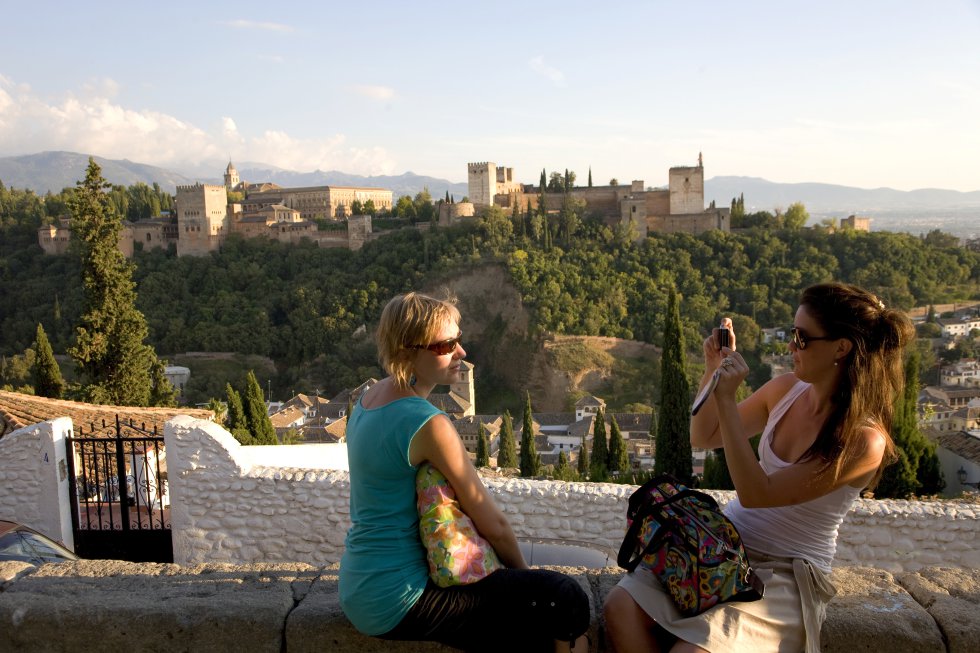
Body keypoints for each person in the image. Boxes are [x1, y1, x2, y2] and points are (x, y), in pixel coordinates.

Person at [604, 282, 914, 653]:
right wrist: (713, 372)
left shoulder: (863, 441)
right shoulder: (785, 390)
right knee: (620, 607)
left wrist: (727, 398)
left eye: (801, 338)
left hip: (786, 572)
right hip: (726, 546)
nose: (790, 346)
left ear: (841, 348)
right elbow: (704, 435)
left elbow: (756, 494)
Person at [340, 291, 590, 653]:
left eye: (458, 340)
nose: (461, 353)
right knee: (563, 599)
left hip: (358, 586)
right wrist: (521, 578)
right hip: (400, 597)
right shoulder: (427, 423)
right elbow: (493, 524)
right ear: (409, 351)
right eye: (447, 345)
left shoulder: (367, 401)